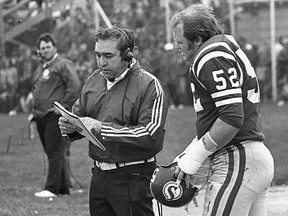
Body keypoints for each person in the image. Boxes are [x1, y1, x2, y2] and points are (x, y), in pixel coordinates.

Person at [170, 4, 274, 216]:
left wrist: (194, 158)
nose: (177, 47)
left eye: (180, 42)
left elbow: (231, 117)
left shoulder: (211, 55)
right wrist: (189, 152)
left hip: (238, 159)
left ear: (197, 39)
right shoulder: (223, 46)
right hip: (249, 158)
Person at [58, 27, 169, 216]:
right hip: (99, 177)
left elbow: (150, 135)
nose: (101, 62)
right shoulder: (94, 80)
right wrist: (69, 127)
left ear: (128, 55)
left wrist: (101, 128)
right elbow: (80, 115)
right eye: (97, 55)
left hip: (134, 178)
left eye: (108, 56)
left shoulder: (149, 85)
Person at [32, 33, 81, 198]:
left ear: (54, 47)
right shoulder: (41, 68)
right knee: (52, 152)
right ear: (38, 51)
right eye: (42, 48)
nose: (45, 50)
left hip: (54, 115)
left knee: (54, 152)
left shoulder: (64, 65)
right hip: (40, 115)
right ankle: (62, 188)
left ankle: (51, 188)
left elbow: (74, 86)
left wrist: (63, 107)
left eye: (48, 47)